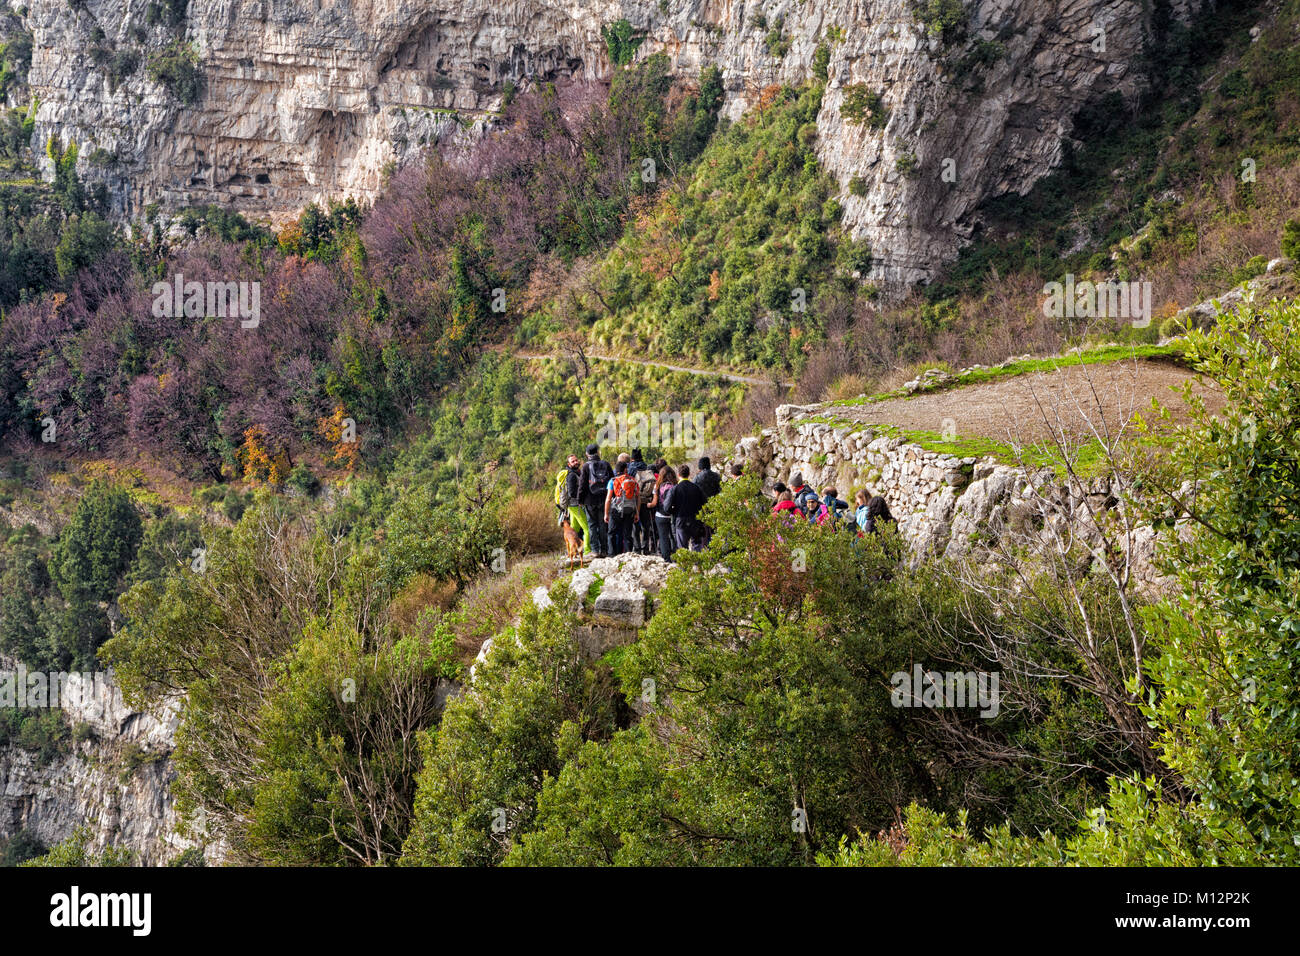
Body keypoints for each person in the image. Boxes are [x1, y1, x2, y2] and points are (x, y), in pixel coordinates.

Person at [579, 444, 613, 558]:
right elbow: (612, 479)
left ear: (587, 454)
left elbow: (582, 485)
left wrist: (580, 500)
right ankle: (604, 550)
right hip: (604, 499)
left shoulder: (585, 466)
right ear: (598, 452)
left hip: (590, 500)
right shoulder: (606, 464)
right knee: (603, 524)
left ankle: (595, 550)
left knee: (592, 525)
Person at [605, 460, 640, 556]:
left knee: (611, 533)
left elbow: (608, 499)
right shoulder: (633, 480)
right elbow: (638, 497)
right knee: (627, 535)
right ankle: (628, 554)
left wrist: (606, 514)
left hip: (616, 510)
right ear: (626, 470)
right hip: (630, 511)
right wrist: (637, 513)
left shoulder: (612, 481)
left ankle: (612, 554)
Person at [668, 464, 706, 553]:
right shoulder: (696, 487)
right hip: (695, 520)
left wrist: (675, 511)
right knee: (696, 545)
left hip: (681, 520)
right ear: (689, 474)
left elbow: (666, 507)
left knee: (682, 547)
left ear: (678, 475)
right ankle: (697, 565)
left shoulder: (675, 489)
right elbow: (705, 502)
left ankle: (684, 567)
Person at [561, 454, 591, 555]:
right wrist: (581, 498)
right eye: (573, 461)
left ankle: (572, 551)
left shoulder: (577, 472)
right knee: (587, 528)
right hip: (575, 505)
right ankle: (587, 551)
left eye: (576, 460)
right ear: (569, 464)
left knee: (575, 528)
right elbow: (572, 493)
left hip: (573, 506)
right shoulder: (571, 476)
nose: (575, 462)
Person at [652, 465, 678, 562]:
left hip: (660, 515)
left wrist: (648, 505)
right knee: (673, 537)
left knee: (663, 538)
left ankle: (666, 559)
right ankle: (676, 557)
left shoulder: (657, 486)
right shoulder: (675, 486)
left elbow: (654, 502)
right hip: (672, 515)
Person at [694, 456, 721, 548]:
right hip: (714, 505)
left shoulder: (697, 478)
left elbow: (695, 492)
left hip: (702, 507)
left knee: (704, 530)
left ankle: (705, 549)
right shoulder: (716, 476)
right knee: (714, 529)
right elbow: (720, 490)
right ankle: (715, 549)